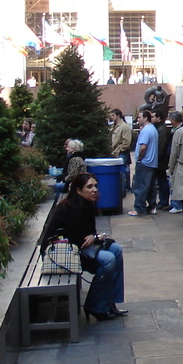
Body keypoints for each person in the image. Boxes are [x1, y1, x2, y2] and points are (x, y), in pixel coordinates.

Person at [42, 172, 126, 321]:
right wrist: (96, 237)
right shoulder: (72, 209)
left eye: (95, 186)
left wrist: (94, 238)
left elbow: (88, 236)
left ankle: (108, 302)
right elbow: (80, 240)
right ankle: (95, 305)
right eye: (89, 187)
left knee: (116, 249)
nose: (94, 190)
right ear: (78, 191)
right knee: (108, 260)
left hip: (75, 247)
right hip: (61, 253)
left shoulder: (85, 205)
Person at [128, 109, 159, 217]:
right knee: (150, 186)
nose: (138, 119)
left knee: (141, 186)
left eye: (140, 117)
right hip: (152, 162)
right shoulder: (153, 129)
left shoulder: (146, 131)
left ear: (146, 118)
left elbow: (143, 147)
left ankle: (139, 208)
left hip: (145, 162)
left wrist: (140, 158)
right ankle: (152, 206)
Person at [109, 109, 133, 194]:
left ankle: (123, 191)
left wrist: (120, 149)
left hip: (121, 152)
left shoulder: (124, 127)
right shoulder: (114, 126)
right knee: (120, 172)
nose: (111, 118)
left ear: (118, 115)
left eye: (113, 116)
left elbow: (127, 141)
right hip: (115, 151)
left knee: (122, 172)